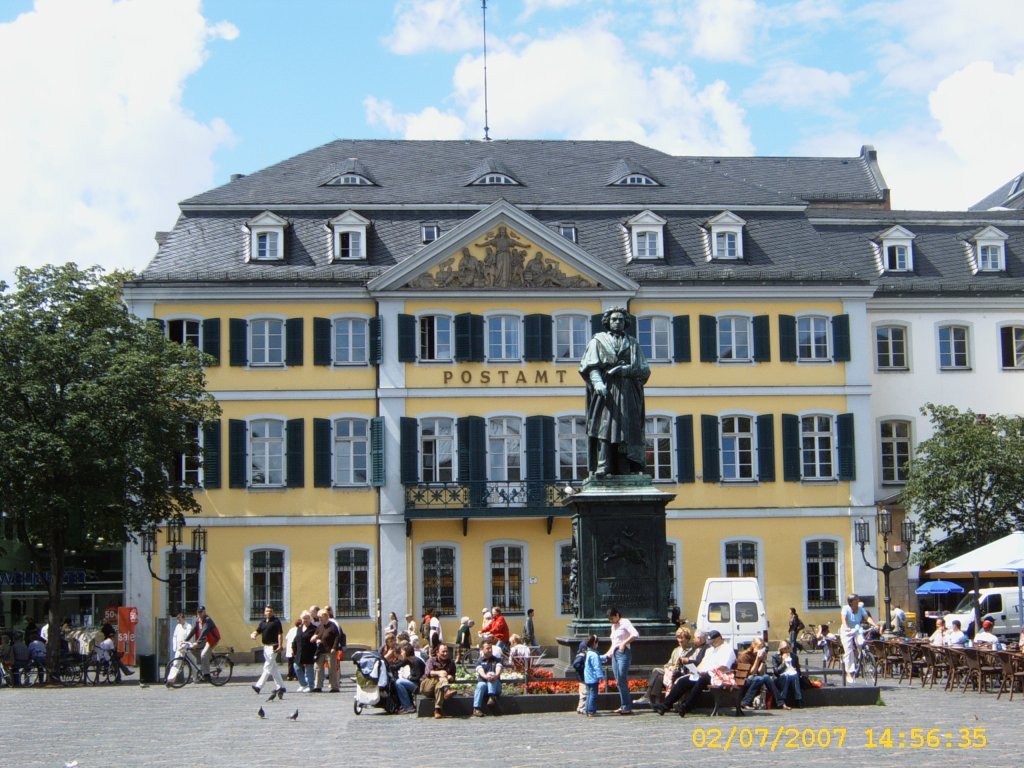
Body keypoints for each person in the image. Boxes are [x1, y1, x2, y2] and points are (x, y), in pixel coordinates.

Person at [579, 306, 650, 478]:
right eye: (613, 319)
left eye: (620, 319)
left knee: (627, 430)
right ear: (607, 322)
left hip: (628, 392)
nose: (617, 322)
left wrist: (624, 371)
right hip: (606, 391)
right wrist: (597, 384)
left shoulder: (633, 343)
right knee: (604, 428)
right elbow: (590, 367)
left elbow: (644, 369)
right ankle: (604, 466)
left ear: (625, 322)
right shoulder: (597, 341)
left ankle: (625, 467)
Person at [675, 629, 735, 717]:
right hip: (706, 674)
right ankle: (666, 704)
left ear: (718, 639)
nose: (711, 644)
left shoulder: (727, 649)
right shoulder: (710, 650)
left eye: (712, 641)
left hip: (720, 676)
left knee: (702, 679)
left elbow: (723, 667)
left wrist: (706, 672)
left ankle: (686, 706)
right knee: (683, 681)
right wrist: (696, 671)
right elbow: (702, 663)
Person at [654, 631, 708, 715]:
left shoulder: (706, 648)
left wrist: (688, 661)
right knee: (678, 678)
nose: (694, 639)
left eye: (695, 638)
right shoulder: (695, 647)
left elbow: (700, 661)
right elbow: (687, 657)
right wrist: (683, 659)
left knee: (682, 681)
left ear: (700, 639)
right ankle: (665, 705)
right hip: (690, 671)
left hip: (699, 673)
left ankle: (682, 706)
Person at [640, 627, 691, 706]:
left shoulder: (691, 650)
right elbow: (668, 663)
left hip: (680, 672)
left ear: (687, 639)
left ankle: (648, 695)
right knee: (658, 673)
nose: (680, 640)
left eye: (682, 638)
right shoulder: (676, 650)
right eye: (678, 638)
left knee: (657, 673)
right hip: (671, 671)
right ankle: (656, 701)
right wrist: (668, 669)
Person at [603, 607, 639, 714]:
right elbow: (614, 644)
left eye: (612, 618)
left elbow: (635, 634)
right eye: (610, 619)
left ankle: (627, 706)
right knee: (618, 681)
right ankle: (624, 705)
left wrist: (624, 643)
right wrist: (606, 655)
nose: (611, 621)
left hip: (623, 653)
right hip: (615, 654)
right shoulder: (613, 626)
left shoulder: (625, 622)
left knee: (622, 678)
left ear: (617, 615)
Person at [839, 593, 878, 684]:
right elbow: (843, 619)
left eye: (857, 600)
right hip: (847, 630)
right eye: (855, 600)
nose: (857, 602)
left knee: (862, 642)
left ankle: (863, 657)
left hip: (857, 629)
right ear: (851, 602)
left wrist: (874, 625)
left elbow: (867, 618)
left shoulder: (861, 609)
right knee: (848, 650)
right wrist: (846, 627)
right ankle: (849, 672)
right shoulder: (845, 609)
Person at [249, 605, 286, 696]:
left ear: (273, 612)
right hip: (266, 647)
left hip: (273, 647)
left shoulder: (276, 621)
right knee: (273, 668)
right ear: (265, 612)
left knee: (267, 667)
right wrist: (253, 635)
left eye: (270, 611)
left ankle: (259, 686)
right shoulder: (263, 622)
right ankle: (281, 686)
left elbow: (280, 634)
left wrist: (280, 645)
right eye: (267, 611)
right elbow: (258, 631)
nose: (268, 612)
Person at [739, 636, 783, 710]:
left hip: (755, 677)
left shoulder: (759, 655)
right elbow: (752, 672)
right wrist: (757, 659)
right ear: (753, 645)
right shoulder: (745, 655)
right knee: (759, 679)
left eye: (762, 647)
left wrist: (763, 660)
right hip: (745, 678)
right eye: (758, 646)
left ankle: (781, 703)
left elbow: (760, 672)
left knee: (766, 677)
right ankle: (745, 702)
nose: (760, 649)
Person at [422, 643, 458, 719]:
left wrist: (451, 677)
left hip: (439, 687)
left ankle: (437, 710)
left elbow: (453, 676)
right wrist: (439, 673)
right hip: (427, 686)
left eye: (447, 651)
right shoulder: (431, 660)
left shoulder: (451, 663)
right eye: (443, 652)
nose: (445, 654)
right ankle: (446, 690)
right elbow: (429, 673)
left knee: (440, 684)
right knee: (442, 675)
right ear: (437, 652)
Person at [184, 606, 219, 681]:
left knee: (203, 655)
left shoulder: (207, 620)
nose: (199, 614)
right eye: (198, 612)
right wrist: (186, 640)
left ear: (204, 612)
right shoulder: (198, 620)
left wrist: (197, 642)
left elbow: (204, 632)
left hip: (212, 640)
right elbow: (194, 630)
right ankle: (204, 664)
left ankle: (207, 675)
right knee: (192, 649)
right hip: (205, 640)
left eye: (201, 612)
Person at [472, 641, 502, 717]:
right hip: (485, 685)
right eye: (487, 648)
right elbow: (480, 671)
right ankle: (476, 709)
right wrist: (486, 677)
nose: (490, 650)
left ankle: (492, 696)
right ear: (482, 649)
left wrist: (496, 675)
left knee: (492, 673)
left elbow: (498, 668)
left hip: (496, 687)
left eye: (490, 648)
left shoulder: (497, 660)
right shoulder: (479, 661)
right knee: (480, 685)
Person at [313, 608, 340, 692]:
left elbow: (337, 637)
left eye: (320, 617)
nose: (319, 619)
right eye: (318, 617)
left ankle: (334, 686)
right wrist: (316, 638)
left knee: (332, 668)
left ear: (325, 617)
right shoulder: (320, 626)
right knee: (318, 667)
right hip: (321, 650)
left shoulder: (332, 626)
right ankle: (318, 686)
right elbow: (316, 634)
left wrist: (334, 648)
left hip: (330, 650)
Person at [394, 643, 425, 714]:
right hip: (414, 683)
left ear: (406, 651)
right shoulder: (408, 660)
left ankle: (408, 706)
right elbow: (397, 666)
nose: (401, 653)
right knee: (399, 682)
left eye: (402, 651)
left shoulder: (416, 661)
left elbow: (418, 677)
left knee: (399, 682)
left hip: (419, 685)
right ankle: (405, 705)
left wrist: (408, 678)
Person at [771, 640, 802, 708]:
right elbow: (776, 672)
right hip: (780, 677)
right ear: (781, 649)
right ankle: (783, 700)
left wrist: (796, 670)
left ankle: (798, 699)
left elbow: (799, 671)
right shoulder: (776, 657)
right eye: (784, 648)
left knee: (795, 676)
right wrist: (783, 662)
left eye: (788, 648)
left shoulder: (794, 656)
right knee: (786, 676)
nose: (786, 650)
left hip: (792, 675)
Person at [164, 612, 192, 687]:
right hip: (179, 649)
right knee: (176, 664)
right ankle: (170, 680)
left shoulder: (188, 626)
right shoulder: (177, 626)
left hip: (186, 648)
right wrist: (175, 647)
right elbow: (174, 636)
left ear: (183, 618)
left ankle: (197, 677)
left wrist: (185, 644)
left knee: (193, 662)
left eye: (179, 619)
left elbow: (189, 636)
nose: (178, 621)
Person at [292, 611, 317, 693]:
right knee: (296, 667)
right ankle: (303, 684)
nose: (305, 620)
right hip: (299, 652)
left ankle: (311, 686)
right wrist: (293, 649)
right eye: (303, 618)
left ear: (310, 619)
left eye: (307, 618)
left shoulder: (314, 629)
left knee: (309, 670)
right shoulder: (299, 628)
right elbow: (296, 639)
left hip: (310, 652)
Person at [582, 634, 604, 717]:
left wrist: (605, 657)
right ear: (595, 643)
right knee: (593, 695)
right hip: (593, 678)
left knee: (589, 694)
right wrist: (600, 676)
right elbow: (597, 667)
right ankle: (591, 711)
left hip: (587, 677)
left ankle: (587, 710)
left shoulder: (588, 653)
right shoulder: (594, 655)